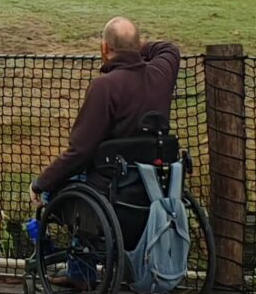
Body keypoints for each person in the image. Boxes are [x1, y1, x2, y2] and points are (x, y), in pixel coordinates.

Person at [29, 17, 181, 258]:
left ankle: (80, 271)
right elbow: (169, 49)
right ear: (139, 44)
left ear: (104, 48)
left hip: (110, 189)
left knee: (54, 190)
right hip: (152, 188)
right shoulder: (161, 74)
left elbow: (80, 151)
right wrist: (133, 48)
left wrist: (42, 182)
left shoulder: (104, 86)